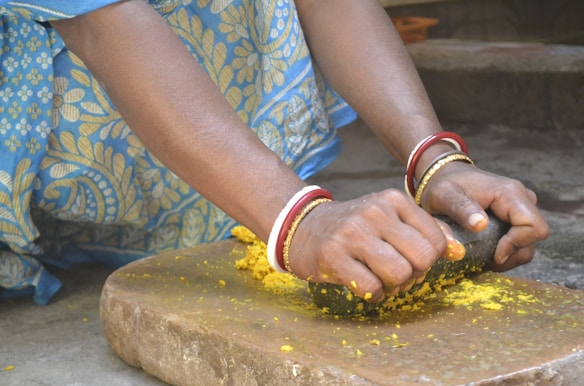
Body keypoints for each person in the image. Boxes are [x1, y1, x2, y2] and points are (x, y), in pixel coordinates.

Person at [0, 0, 549, 305]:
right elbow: (103, 23)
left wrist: (433, 158)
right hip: (78, 127)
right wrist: (298, 222)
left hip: (226, 154)